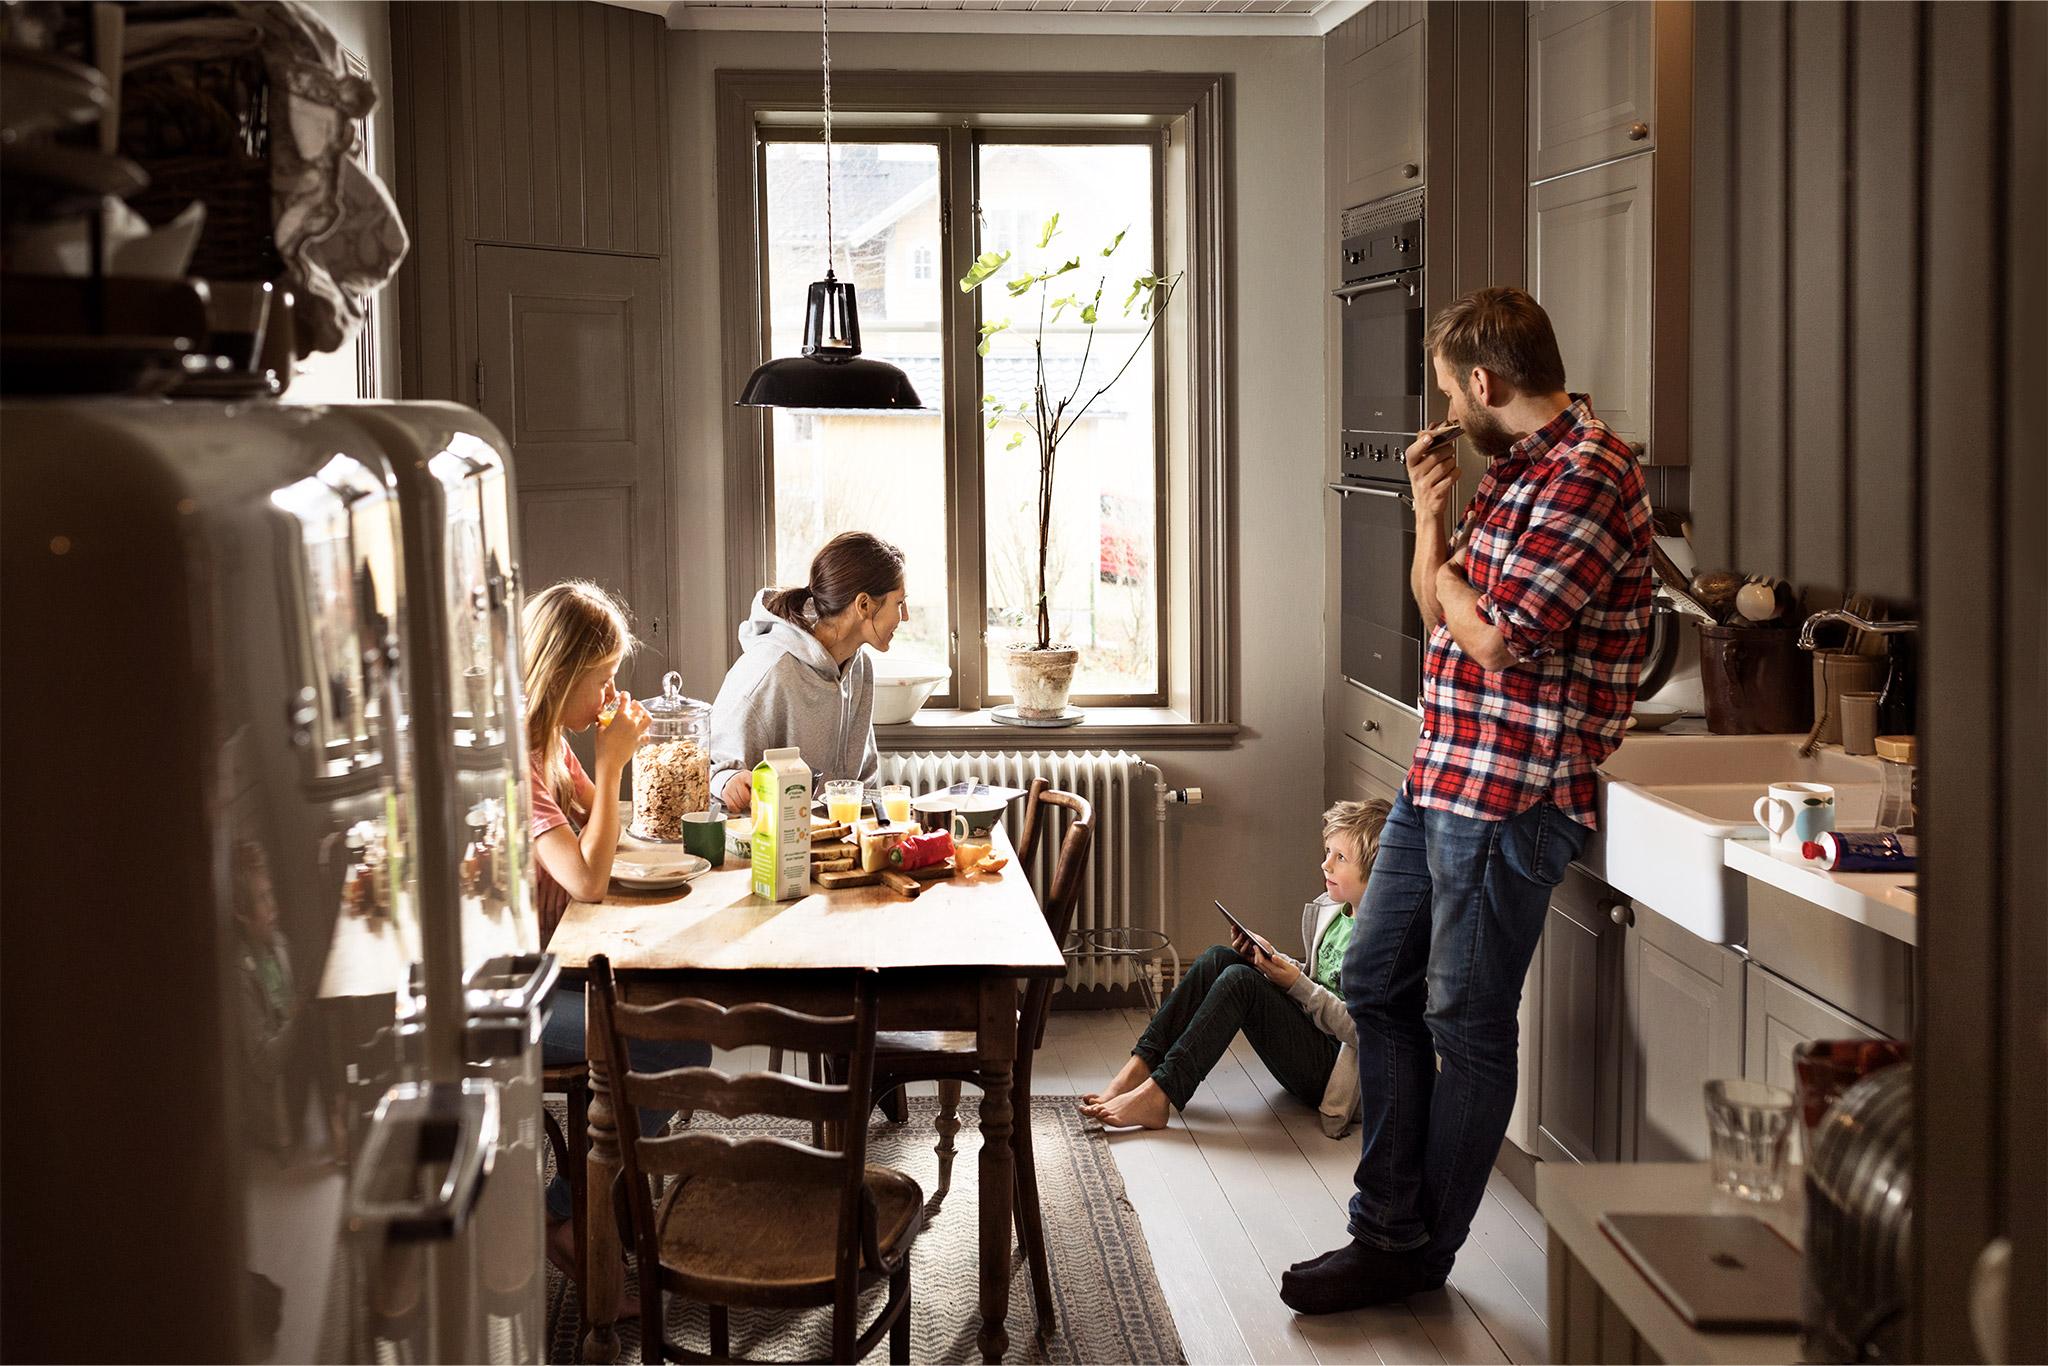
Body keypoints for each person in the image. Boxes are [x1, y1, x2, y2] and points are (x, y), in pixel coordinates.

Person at [1282, 288, 1653, 1314]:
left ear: (1483, 385)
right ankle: (1387, 1226)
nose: (1446, 406)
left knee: (1466, 1019)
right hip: (1441, 772)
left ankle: (1411, 1254)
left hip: (1514, 795)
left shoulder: (1589, 475)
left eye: (1450, 389)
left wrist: (1453, 585)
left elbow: (1496, 637)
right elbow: (1436, 607)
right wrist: (1431, 518)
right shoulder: (1516, 472)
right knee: (1372, 983)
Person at [521, 580, 709, 1311]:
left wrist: (610, 765)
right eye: (600, 677)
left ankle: (603, 1196)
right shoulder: (516, 757)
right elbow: (588, 879)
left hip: (550, 967)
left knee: (684, 1021)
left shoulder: (547, 742)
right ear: (561, 674)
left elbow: (606, 836)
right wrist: (612, 763)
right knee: (673, 1048)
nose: (609, 692)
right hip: (504, 995)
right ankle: (565, 1213)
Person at [1079, 799, 1390, 1136]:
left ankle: (1159, 1094)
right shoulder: (1332, 911)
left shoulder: (1383, 943)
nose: (1325, 864)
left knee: (1241, 982)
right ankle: (1136, 1071)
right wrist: (1275, 960)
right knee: (1220, 957)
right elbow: (1321, 978)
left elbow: (1364, 1031)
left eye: (1340, 858)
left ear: (1377, 872)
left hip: (1336, 1071)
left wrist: (1295, 982)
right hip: (1309, 1033)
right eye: (1328, 851)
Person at [709, 531, 908, 812]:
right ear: (864, 605)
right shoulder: (771, 669)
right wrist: (726, 779)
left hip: (836, 838)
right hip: (769, 842)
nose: (906, 616)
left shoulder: (859, 666)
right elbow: (706, 766)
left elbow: (863, 778)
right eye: (899, 603)